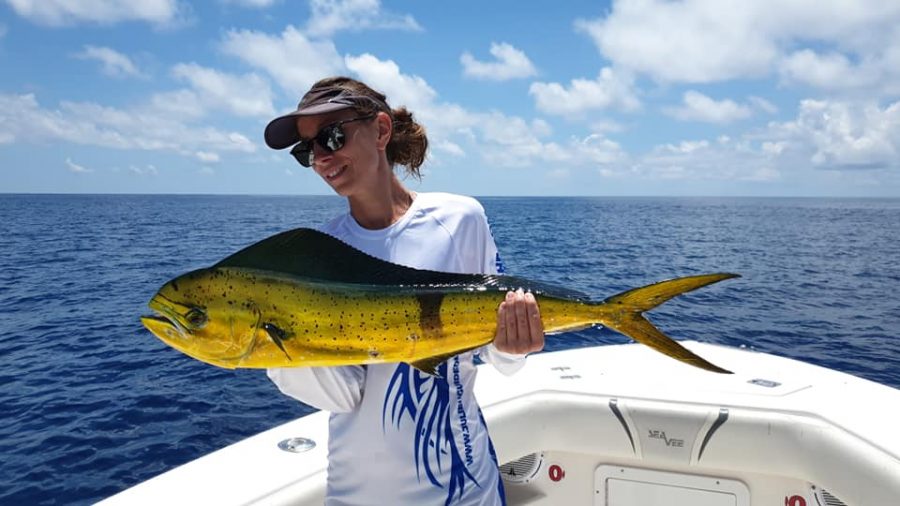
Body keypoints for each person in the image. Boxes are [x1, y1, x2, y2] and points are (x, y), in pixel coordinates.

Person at [263, 76, 544, 506]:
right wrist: (271, 346)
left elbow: (498, 359)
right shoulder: (320, 254)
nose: (321, 157)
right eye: (306, 151)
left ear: (380, 130)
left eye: (332, 136)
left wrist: (514, 346)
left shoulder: (460, 219)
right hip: (354, 494)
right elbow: (343, 395)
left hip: (463, 489)